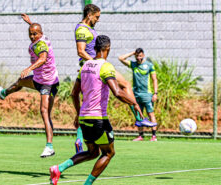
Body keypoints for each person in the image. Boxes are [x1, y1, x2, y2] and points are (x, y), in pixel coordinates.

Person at [49, 35, 143, 185]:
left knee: (93, 152)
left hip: (84, 118)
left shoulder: (85, 66)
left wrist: (78, 113)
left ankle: (58, 168)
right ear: (107, 48)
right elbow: (117, 92)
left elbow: (74, 93)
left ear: (95, 48)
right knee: (109, 152)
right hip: (98, 119)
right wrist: (134, 103)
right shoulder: (106, 67)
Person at [73, 4, 152, 153]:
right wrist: (95, 63)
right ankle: (139, 117)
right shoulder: (82, 29)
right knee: (125, 85)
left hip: (93, 66)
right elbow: (80, 51)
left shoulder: (88, 29)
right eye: (97, 17)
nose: (98, 20)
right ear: (89, 15)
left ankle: (79, 138)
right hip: (94, 66)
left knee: (88, 103)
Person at [0, 14, 59, 157]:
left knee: (44, 112)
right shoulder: (43, 37)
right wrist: (30, 23)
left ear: (40, 34)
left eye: (35, 34)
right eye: (30, 34)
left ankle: (49, 146)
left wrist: (29, 69)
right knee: (20, 82)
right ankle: (4, 93)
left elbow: (42, 58)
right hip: (39, 80)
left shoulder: (41, 44)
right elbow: (36, 30)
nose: (32, 36)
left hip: (48, 83)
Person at [118, 48, 158, 141]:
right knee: (138, 115)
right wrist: (132, 53)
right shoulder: (133, 65)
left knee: (150, 114)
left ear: (143, 55)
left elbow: (154, 79)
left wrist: (155, 93)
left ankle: (154, 136)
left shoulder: (149, 65)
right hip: (135, 94)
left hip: (147, 94)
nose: (138, 58)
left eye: (140, 56)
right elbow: (121, 58)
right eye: (137, 56)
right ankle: (140, 136)